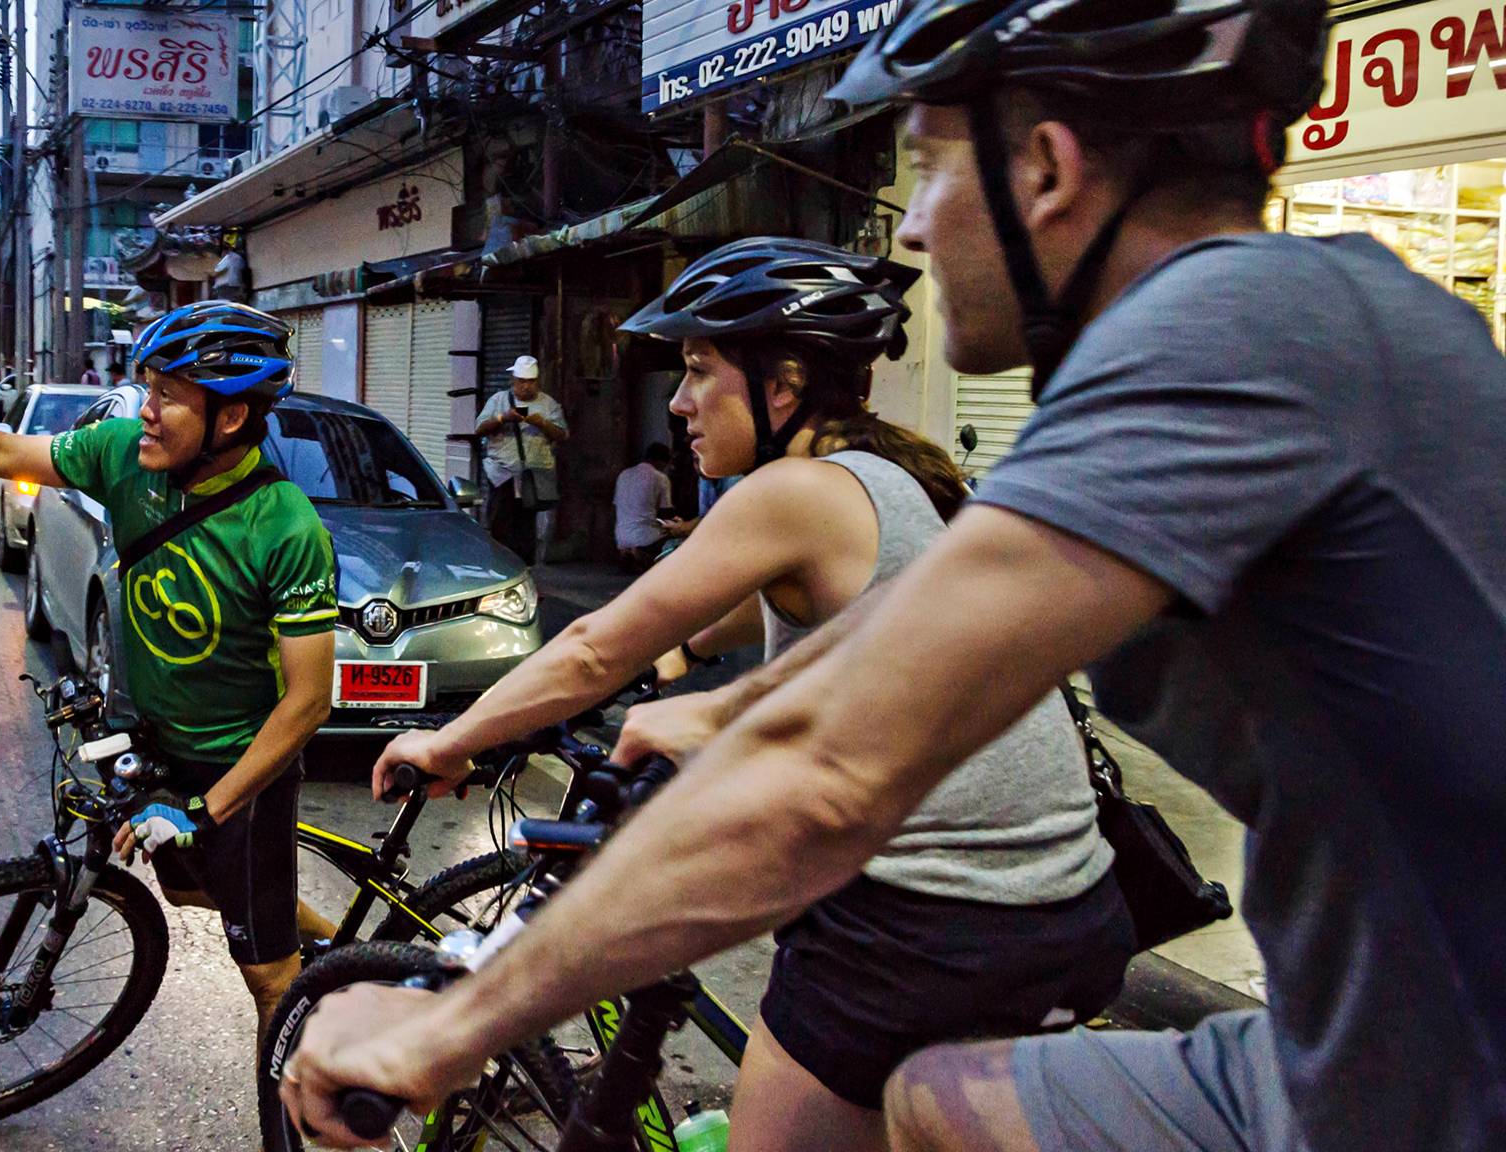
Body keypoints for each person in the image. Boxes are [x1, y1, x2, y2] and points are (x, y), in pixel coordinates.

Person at [279, 3, 1506, 1152]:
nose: (910, 228)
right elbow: (899, 653)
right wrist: (710, 711)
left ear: (1045, 169)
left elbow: (825, 770)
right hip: (1337, 1062)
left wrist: (448, 1021)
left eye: (926, 169)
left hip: (1429, 1104)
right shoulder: (1315, 316)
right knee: (930, 1107)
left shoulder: (1230, 336)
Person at [360, 239, 1131, 1152]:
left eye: (698, 371)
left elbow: (594, 645)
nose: (679, 402)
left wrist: (453, 741)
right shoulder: (894, 480)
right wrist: (679, 656)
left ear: (784, 382)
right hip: (1066, 900)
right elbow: (732, 619)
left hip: (928, 919)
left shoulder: (790, 493)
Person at [0, 301, 341, 1041]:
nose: (147, 411)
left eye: (168, 396)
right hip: (161, 756)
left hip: (243, 776)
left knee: (271, 982)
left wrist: (207, 810)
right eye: (146, 388)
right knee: (198, 887)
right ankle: (337, 944)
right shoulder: (123, 459)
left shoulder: (287, 528)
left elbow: (308, 704)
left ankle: (322, 1108)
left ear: (230, 419)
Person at [475, 354, 568, 565]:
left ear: (537, 382)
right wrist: (503, 418)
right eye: (521, 382)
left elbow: (563, 435)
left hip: (533, 477)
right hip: (503, 475)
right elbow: (479, 429)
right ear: (513, 381)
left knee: (526, 528)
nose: (526, 387)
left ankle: (525, 573)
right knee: (500, 524)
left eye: (531, 382)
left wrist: (542, 423)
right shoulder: (498, 400)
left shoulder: (548, 404)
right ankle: (499, 569)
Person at [612, 442, 676, 571]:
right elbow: (666, 513)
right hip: (646, 539)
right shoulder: (661, 478)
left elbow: (615, 507)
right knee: (676, 541)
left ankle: (628, 553)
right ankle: (642, 554)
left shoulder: (624, 474)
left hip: (621, 537)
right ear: (661, 462)